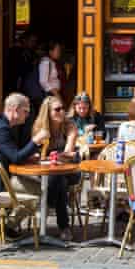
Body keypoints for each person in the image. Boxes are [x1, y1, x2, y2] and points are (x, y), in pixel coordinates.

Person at [0, 93, 50, 232]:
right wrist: (36, 141)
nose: (28, 115)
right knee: (42, 191)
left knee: (40, 187)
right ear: (15, 109)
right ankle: (8, 226)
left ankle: (7, 226)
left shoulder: (0, 124)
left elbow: (12, 155)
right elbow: (16, 157)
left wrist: (28, 157)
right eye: (26, 111)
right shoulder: (0, 129)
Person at [32, 96, 79, 241]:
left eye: (63, 108)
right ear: (48, 112)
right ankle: (64, 227)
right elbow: (36, 154)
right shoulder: (39, 128)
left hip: (70, 170)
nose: (62, 112)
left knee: (59, 178)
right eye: (57, 109)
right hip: (47, 171)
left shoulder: (69, 125)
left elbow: (68, 153)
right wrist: (49, 158)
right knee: (59, 181)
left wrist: (57, 157)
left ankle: (45, 207)